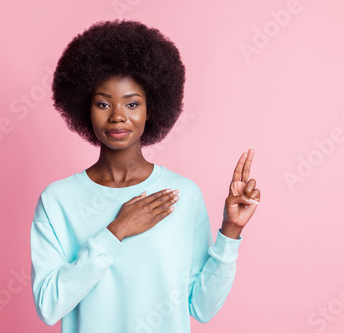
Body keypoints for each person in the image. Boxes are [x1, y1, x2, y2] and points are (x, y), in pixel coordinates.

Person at [30, 19, 261, 333]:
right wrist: (117, 230)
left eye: (132, 103)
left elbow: (202, 308)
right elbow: (48, 305)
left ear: (152, 109)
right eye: (103, 103)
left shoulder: (182, 194)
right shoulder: (58, 200)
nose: (118, 116)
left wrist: (231, 231)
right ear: (85, 108)